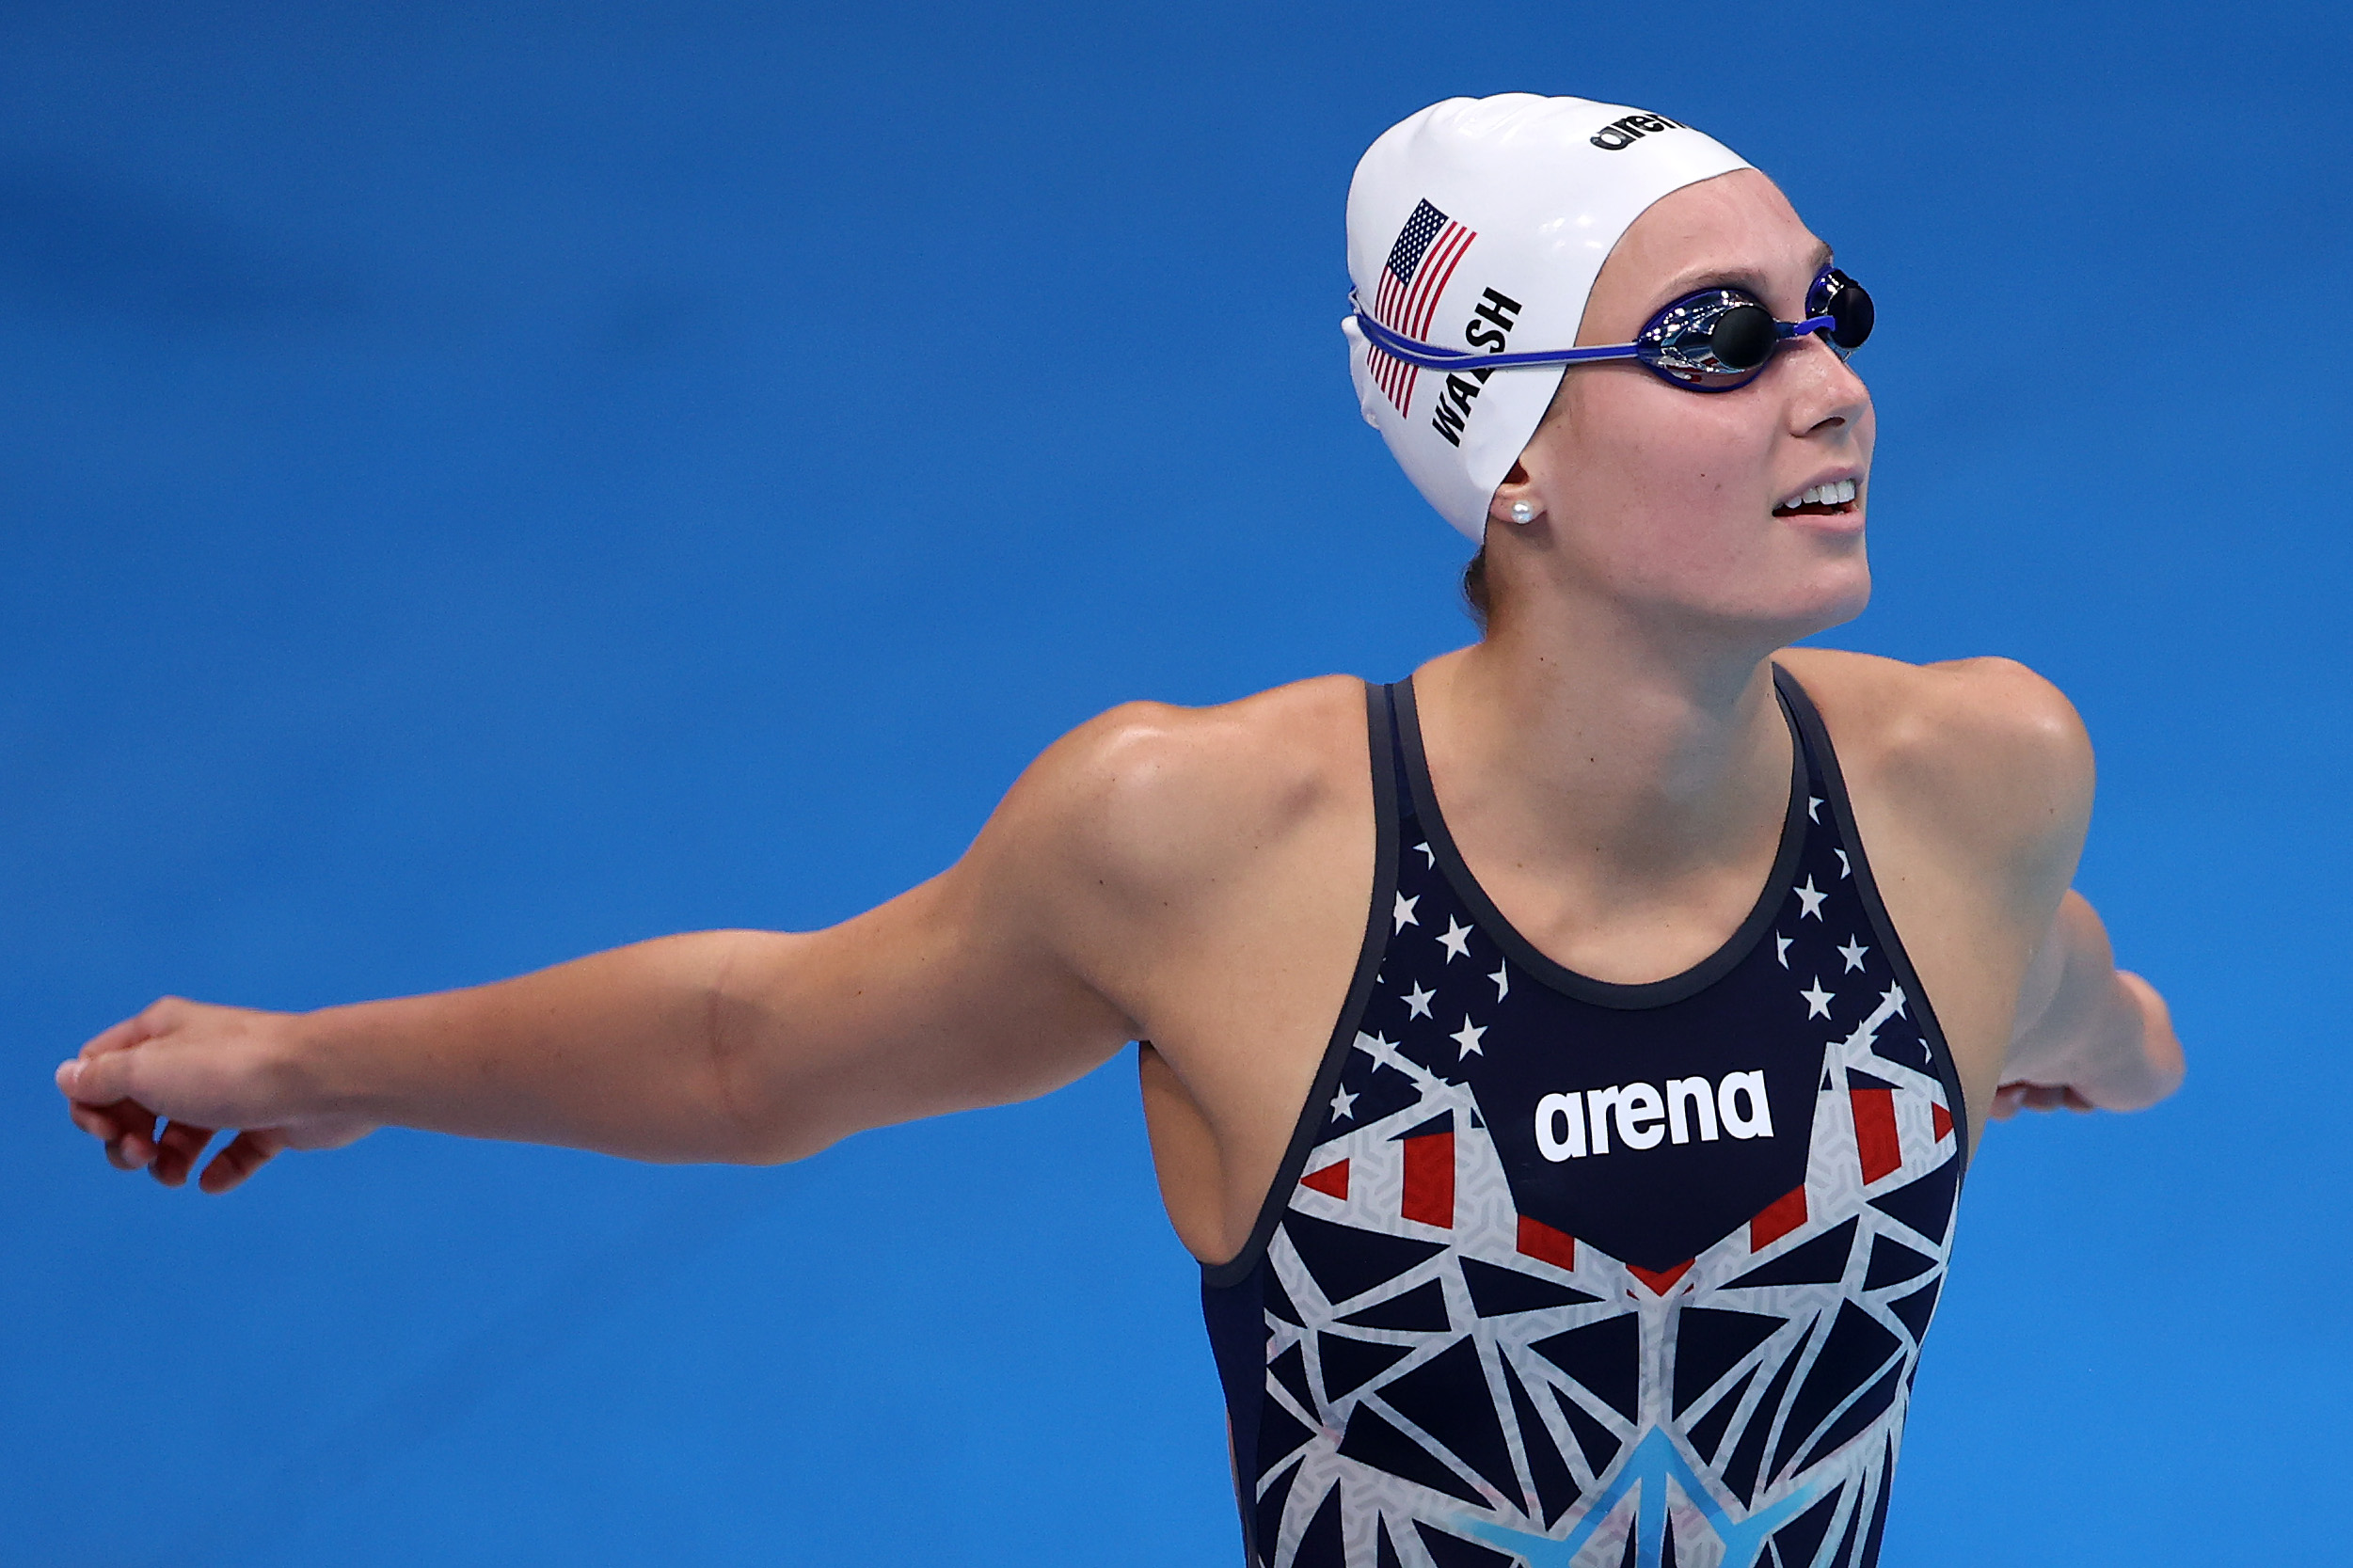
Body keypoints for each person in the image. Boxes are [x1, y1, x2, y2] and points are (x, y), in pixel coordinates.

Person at [56, 94, 2181, 1568]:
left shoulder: (1971, 787)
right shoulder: (1215, 844)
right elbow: (754, 1049)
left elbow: (2079, 1003)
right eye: (1724, 342)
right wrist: (302, 1063)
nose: (1830, 386)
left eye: (1835, 311)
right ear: (1505, 450)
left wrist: (2092, 1043)